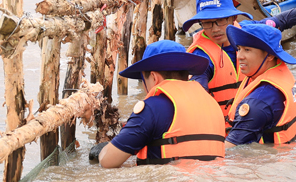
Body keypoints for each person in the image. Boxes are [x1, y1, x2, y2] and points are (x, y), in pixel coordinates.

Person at [183, 0, 296, 122]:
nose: (215, 29)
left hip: (253, 118)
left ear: (233, 18)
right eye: (207, 23)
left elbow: (284, 20)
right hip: (225, 131)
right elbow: (197, 93)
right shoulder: (200, 58)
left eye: (221, 20)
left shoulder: (248, 31)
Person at [96, 40, 225, 167]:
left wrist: (101, 151)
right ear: (186, 75)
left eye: (143, 80)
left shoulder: (151, 109)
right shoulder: (213, 105)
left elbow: (108, 161)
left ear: (153, 77)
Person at [224, 22, 296, 147]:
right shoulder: (276, 72)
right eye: (239, 49)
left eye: (247, 50)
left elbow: (230, 150)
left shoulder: (257, 103)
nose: (239, 56)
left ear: (269, 55)